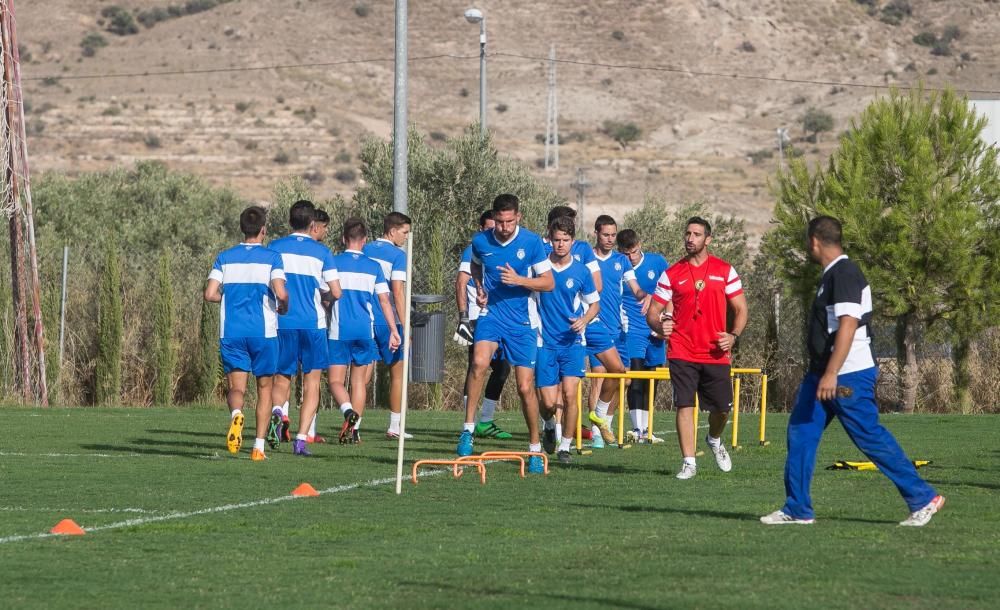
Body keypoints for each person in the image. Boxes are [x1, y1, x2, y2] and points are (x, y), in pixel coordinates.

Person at [761, 216, 944, 527]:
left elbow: (848, 324)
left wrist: (832, 373)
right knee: (801, 433)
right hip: (822, 373)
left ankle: (923, 497)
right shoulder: (832, 274)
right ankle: (797, 508)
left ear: (814, 242)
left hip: (846, 374)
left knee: (868, 435)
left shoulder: (844, 273)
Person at [458, 194, 554, 474]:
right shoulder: (481, 241)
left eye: (509, 221)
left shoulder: (532, 242)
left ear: (518, 217)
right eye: (499, 222)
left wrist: (520, 280)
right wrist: (480, 287)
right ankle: (468, 430)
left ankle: (534, 448)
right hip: (492, 316)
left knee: (525, 387)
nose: (503, 227)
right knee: (478, 363)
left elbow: (548, 283)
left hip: (522, 322)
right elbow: (475, 265)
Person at [646, 216, 748, 479]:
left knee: (722, 409)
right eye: (687, 234)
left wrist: (733, 335)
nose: (690, 239)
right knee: (684, 404)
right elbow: (653, 311)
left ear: (708, 239)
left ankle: (714, 439)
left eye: (697, 234)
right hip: (682, 350)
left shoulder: (725, 270)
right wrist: (659, 327)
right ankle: (689, 462)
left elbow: (741, 309)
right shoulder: (671, 274)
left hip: (715, 351)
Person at [203, 206, 288, 462]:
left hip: (232, 332)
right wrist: (284, 305)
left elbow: (209, 294)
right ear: (264, 229)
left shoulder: (225, 257)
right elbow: (281, 293)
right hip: (263, 333)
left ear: (242, 228)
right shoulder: (273, 258)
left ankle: (236, 415)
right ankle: (258, 447)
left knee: (235, 387)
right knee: (264, 388)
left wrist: (225, 299)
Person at [268, 201, 342, 456]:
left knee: (281, 377)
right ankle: (301, 439)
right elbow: (336, 292)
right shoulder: (321, 252)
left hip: (283, 323)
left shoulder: (274, 248)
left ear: (289, 221)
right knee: (312, 382)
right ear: (312, 224)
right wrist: (326, 300)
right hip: (313, 325)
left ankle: (278, 413)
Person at [325, 218, 401, 448]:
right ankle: (355, 431)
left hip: (339, 331)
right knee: (359, 382)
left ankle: (348, 412)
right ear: (365, 240)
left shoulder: (333, 263)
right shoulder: (373, 267)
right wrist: (394, 330)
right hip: (364, 332)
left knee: (335, 381)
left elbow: (325, 295)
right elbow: (385, 302)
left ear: (343, 238)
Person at [535, 216, 600, 464]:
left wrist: (584, 320)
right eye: (556, 240)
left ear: (573, 241)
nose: (560, 245)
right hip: (545, 342)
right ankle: (550, 425)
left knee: (571, 395)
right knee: (549, 402)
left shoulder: (581, 271)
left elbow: (594, 304)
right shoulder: (540, 267)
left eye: (565, 240)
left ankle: (565, 447)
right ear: (549, 239)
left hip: (572, 343)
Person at [586, 215, 648, 448]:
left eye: (613, 235)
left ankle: (605, 424)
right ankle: (596, 433)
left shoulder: (622, 261)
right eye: (606, 235)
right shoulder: (587, 257)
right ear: (596, 234)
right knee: (599, 379)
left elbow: (635, 287)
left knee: (625, 378)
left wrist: (644, 296)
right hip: (595, 327)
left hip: (618, 329)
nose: (610, 239)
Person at [454, 209, 514, 439]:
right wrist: (463, 319)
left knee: (502, 368)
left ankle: (485, 421)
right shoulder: (473, 250)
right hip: (478, 318)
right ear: (482, 229)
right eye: (489, 227)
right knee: (476, 367)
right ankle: (469, 424)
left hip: (498, 317)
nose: (494, 231)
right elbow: (461, 283)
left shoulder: (502, 250)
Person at [362, 212, 413, 440]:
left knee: (361, 375)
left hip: (365, 318)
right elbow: (398, 292)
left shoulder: (365, 249)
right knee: (397, 373)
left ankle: (354, 424)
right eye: (404, 232)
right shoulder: (397, 255)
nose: (405, 237)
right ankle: (395, 426)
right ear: (392, 231)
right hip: (387, 319)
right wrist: (404, 324)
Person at [617, 228, 670, 444]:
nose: (631, 257)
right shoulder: (618, 267)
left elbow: (670, 292)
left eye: (634, 252)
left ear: (640, 245)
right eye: (626, 253)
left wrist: (666, 321)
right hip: (632, 329)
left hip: (655, 328)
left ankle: (648, 429)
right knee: (635, 377)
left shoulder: (657, 263)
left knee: (652, 378)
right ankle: (636, 428)